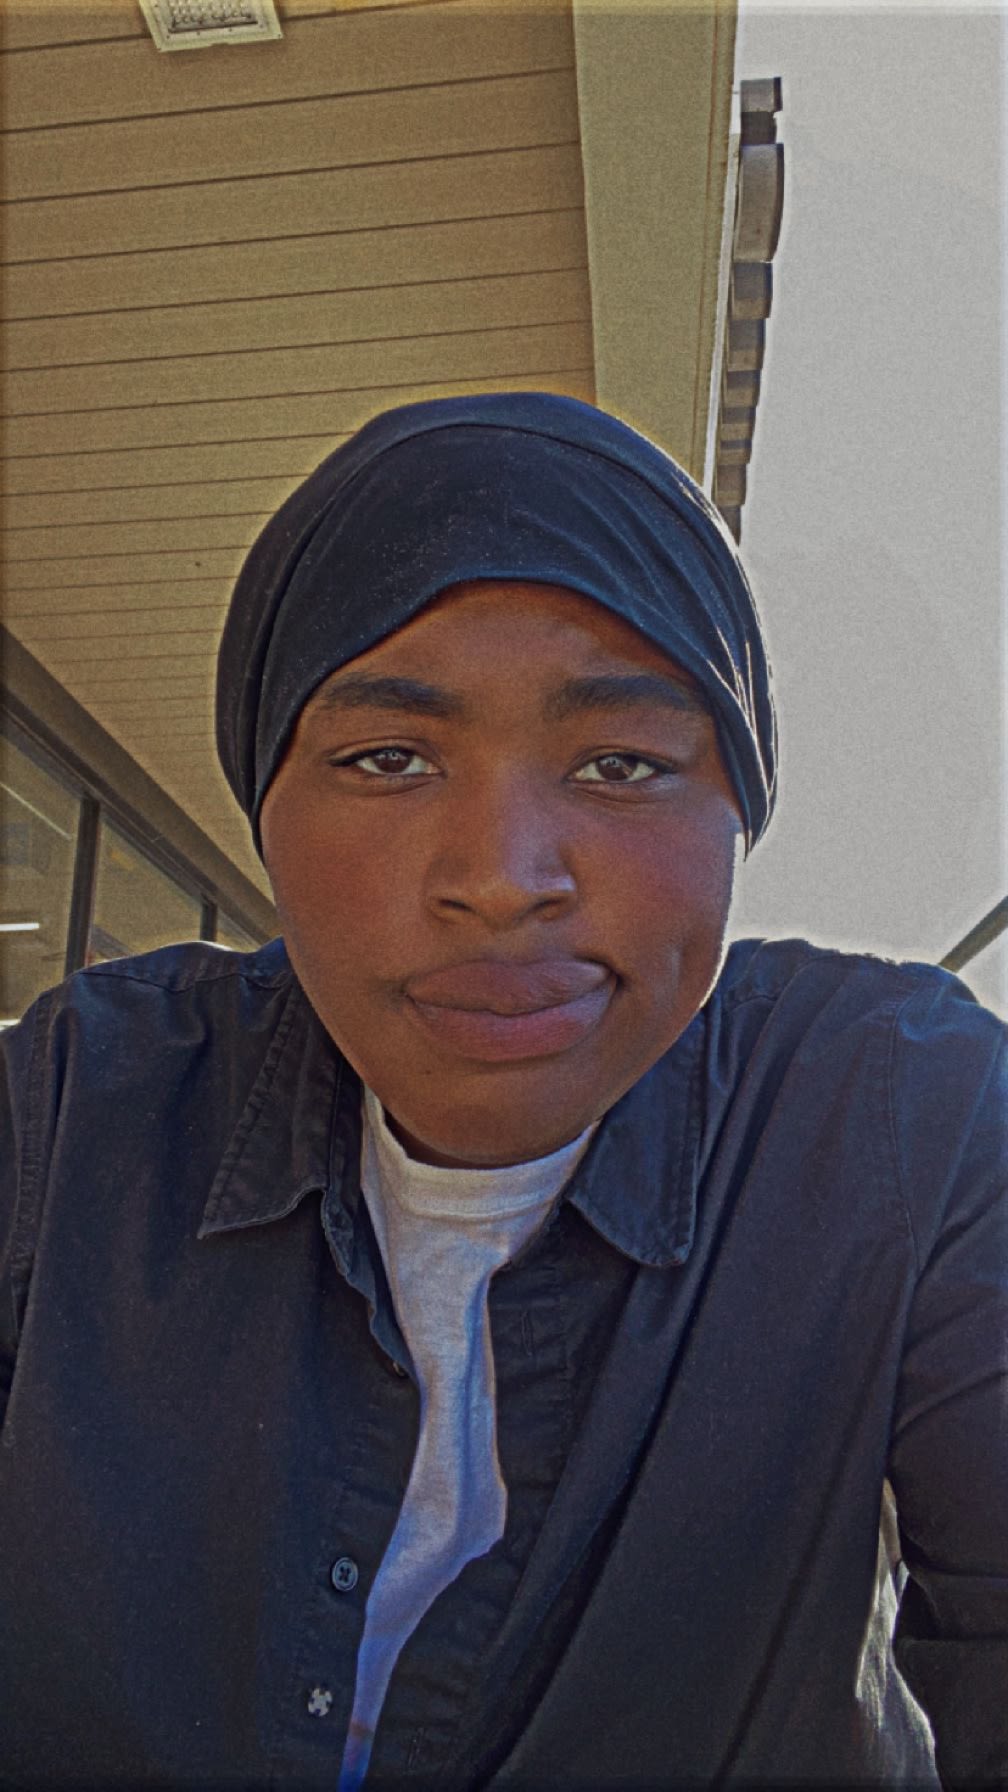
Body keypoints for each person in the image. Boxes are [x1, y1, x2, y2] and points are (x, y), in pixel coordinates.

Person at [0, 391, 1004, 1790]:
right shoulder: (72, 1111)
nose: (500, 876)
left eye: (620, 763)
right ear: (263, 800)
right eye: (389, 759)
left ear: (739, 810)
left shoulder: (901, 1118)